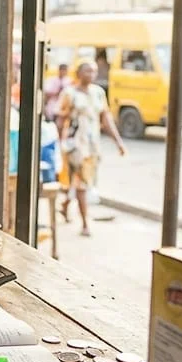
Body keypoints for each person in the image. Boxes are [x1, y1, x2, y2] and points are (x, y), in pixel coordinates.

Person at [57, 60, 126, 237]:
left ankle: (65, 205)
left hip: (92, 145)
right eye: (87, 71)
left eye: (94, 72)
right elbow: (61, 119)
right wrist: (58, 144)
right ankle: (85, 223)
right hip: (73, 145)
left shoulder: (98, 93)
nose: (91, 75)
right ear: (79, 73)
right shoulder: (69, 93)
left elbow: (106, 118)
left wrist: (118, 142)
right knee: (81, 183)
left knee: (82, 181)